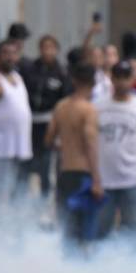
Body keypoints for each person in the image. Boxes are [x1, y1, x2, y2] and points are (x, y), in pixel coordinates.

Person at [94, 60, 136, 239]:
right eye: (118, 78)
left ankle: (129, 265)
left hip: (132, 177)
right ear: (112, 79)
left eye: (126, 78)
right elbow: (90, 143)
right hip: (105, 179)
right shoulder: (98, 106)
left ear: (132, 79)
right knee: (102, 230)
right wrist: (94, 177)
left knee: (131, 231)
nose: (122, 82)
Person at [45, 63, 102, 244]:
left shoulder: (61, 107)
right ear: (93, 84)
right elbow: (90, 144)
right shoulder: (89, 110)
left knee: (67, 229)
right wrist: (97, 180)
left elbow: (48, 140)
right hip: (83, 175)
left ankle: (66, 267)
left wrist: (65, 145)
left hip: (65, 172)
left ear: (74, 81)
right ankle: (81, 268)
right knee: (84, 230)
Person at [0, 39, 34, 202]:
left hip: (19, 143)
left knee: (15, 186)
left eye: (13, 53)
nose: (9, 57)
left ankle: (11, 219)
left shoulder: (17, 77)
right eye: (5, 53)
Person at [22, 35, 69, 202]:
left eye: (51, 47)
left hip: (49, 123)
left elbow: (64, 101)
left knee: (46, 165)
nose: (47, 51)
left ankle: (44, 202)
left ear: (56, 50)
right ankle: (23, 201)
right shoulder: (30, 69)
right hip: (30, 123)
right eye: (44, 47)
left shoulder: (61, 72)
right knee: (26, 164)